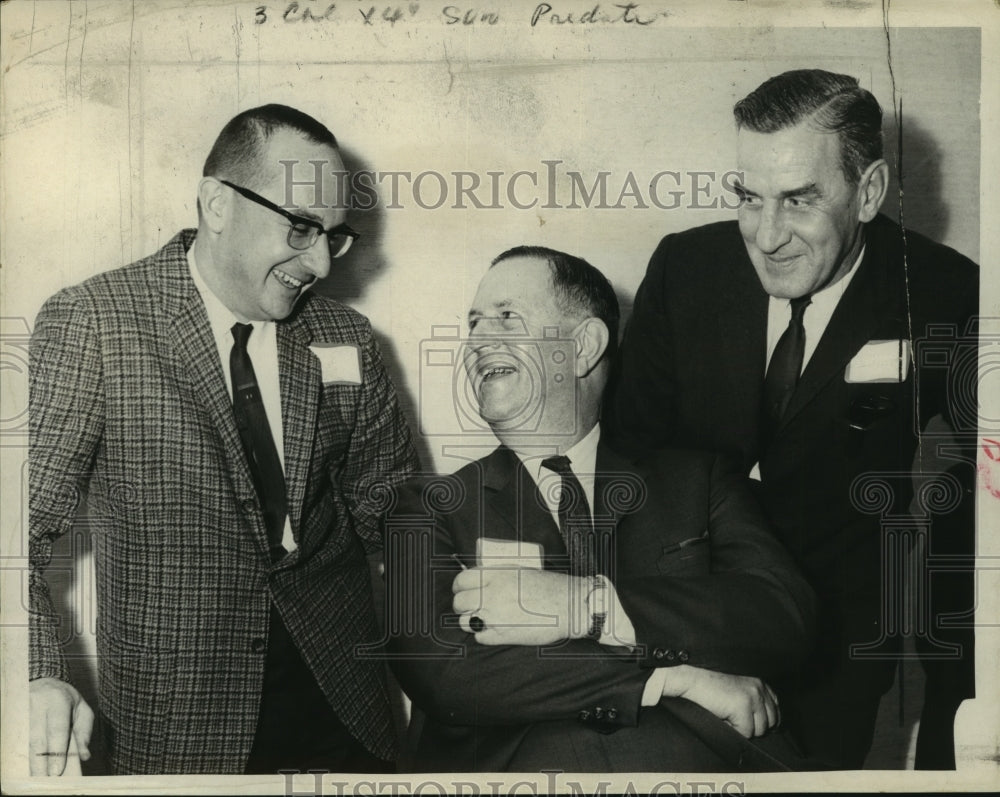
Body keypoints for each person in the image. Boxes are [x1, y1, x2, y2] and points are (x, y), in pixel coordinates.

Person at [28, 104, 419, 775]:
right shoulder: (95, 322)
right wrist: (35, 676)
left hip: (346, 709)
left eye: (334, 236)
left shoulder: (346, 337)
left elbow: (398, 518)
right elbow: (15, 534)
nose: (321, 262)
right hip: (180, 728)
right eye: (300, 228)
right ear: (217, 203)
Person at [605, 69, 979, 769]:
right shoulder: (686, 267)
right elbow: (628, 457)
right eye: (749, 197)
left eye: (800, 201)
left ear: (868, 192)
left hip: (836, 651)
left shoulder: (945, 292)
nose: (766, 236)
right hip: (689, 628)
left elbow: (979, 506)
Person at [384, 246, 817, 772]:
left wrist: (586, 605)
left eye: (506, 317)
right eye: (472, 324)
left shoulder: (698, 480)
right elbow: (442, 670)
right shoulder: (427, 508)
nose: (476, 341)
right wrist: (670, 679)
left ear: (584, 346)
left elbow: (784, 616)